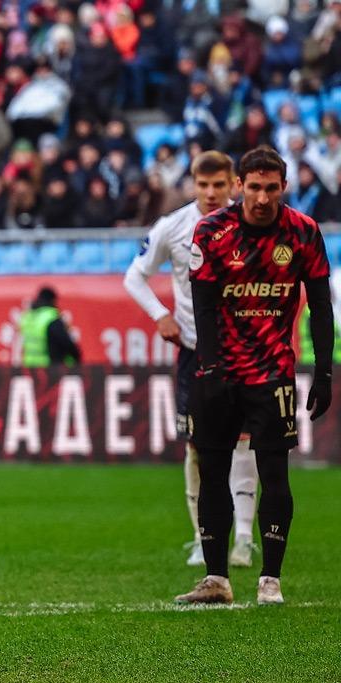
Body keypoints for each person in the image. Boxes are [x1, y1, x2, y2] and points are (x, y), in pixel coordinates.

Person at [176, 145, 334, 605]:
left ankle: (270, 581)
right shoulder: (212, 231)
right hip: (220, 373)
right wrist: (209, 368)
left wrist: (322, 371)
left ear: (283, 187)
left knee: (275, 473)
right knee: (212, 471)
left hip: (273, 373)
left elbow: (320, 306)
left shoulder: (303, 232)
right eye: (254, 187)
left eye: (271, 188)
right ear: (239, 186)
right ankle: (217, 579)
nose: (262, 197)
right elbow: (203, 308)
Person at [124, 151, 259, 568]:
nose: (211, 193)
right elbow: (134, 276)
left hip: (243, 349)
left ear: (234, 183)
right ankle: (205, 537)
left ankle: (242, 538)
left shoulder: (251, 225)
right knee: (197, 448)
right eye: (203, 185)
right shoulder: (174, 226)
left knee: (244, 442)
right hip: (195, 352)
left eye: (219, 184)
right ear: (193, 185)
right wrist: (160, 314)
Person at [19, 286, 81, 367]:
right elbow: (65, 341)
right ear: (52, 300)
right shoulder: (50, 317)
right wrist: (76, 357)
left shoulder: (27, 317)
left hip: (29, 366)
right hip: (49, 367)